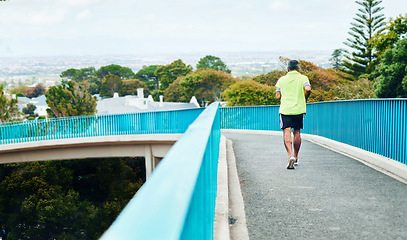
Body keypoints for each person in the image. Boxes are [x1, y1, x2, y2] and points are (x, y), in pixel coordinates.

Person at [275, 60, 311, 169]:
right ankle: (296, 157)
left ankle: (290, 155)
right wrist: (305, 97)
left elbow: (277, 96)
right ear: (299, 69)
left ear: (287, 69)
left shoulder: (281, 80)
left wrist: (282, 94)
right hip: (299, 109)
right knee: (297, 132)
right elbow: (308, 89)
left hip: (285, 109)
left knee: (286, 131)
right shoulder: (303, 78)